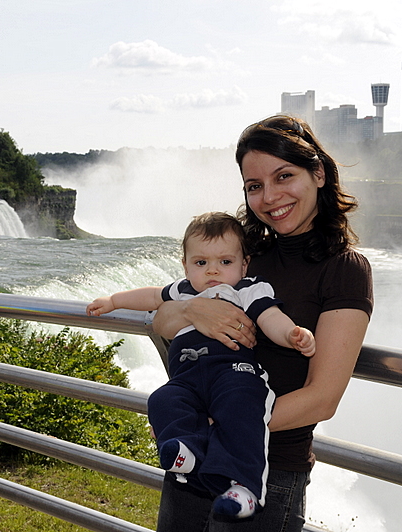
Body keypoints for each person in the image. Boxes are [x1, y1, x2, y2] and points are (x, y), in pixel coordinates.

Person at [151, 115, 374, 532]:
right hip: (195, 462)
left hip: (267, 472)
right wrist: (193, 310)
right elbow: (162, 319)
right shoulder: (241, 255)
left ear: (319, 173)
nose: (270, 196)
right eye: (254, 186)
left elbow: (322, 399)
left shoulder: (344, 270)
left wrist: (221, 423)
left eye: (284, 176)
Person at [86, 211, 316, 519]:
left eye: (225, 262)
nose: (213, 271)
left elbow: (270, 318)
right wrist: (114, 301)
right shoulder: (183, 291)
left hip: (233, 373)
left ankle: (246, 488)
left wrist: (292, 334)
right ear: (185, 265)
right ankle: (186, 451)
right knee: (163, 399)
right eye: (201, 263)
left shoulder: (247, 289)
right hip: (189, 377)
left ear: (243, 264)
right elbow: (152, 296)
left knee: (242, 409)